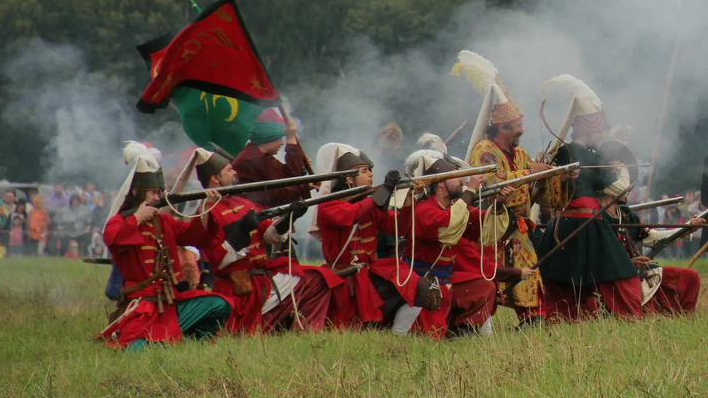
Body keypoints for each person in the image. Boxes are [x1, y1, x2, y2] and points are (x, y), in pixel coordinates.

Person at [99, 141, 232, 350]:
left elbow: (194, 236)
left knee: (219, 305)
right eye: (152, 192)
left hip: (170, 302)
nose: (157, 197)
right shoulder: (121, 222)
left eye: (159, 192)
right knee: (136, 349)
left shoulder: (163, 222)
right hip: (141, 306)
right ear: (137, 194)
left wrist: (205, 206)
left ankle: (188, 344)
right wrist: (136, 218)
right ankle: (165, 341)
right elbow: (112, 238)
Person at [192, 148, 339, 334]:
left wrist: (289, 218)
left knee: (319, 279)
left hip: (263, 279)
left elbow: (270, 235)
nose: (235, 172)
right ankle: (268, 328)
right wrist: (240, 234)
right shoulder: (206, 213)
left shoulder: (243, 203)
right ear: (215, 178)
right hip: (239, 288)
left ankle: (305, 332)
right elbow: (218, 260)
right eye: (229, 170)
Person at [533, 85, 644, 322]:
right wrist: (625, 170)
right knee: (622, 274)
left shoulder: (559, 153)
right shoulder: (592, 158)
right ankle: (629, 318)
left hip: (561, 225)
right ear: (590, 130)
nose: (601, 136)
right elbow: (618, 191)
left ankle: (566, 321)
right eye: (600, 132)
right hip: (589, 223)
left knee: (566, 280)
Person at [312, 144, 430, 332]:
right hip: (343, 280)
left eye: (370, 171)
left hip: (368, 273)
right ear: (349, 178)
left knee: (417, 286)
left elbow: (397, 228)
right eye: (364, 171)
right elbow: (355, 213)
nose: (371, 175)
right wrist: (385, 191)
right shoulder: (328, 206)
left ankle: (397, 336)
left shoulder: (370, 204)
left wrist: (408, 199)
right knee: (345, 329)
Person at [397, 150, 510, 339]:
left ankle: (464, 331)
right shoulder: (425, 209)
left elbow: (483, 227)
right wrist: (470, 191)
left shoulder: (454, 208)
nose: (461, 181)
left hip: (444, 283)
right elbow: (447, 226)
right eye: (456, 176)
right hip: (424, 285)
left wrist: (498, 203)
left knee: (484, 287)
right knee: (429, 336)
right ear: (440, 182)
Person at [468, 89, 548, 325]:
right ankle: (477, 323)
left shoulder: (521, 154)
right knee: (489, 278)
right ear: (502, 128)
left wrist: (556, 177)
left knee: (529, 277)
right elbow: (492, 182)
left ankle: (533, 321)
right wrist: (529, 173)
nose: (521, 130)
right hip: (493, 227)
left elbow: (539, 193)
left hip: (519, 229)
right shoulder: (484, 150)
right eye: (517, 126)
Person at [604, 196, 703, 316]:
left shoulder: (625, 214)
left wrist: (686, 229)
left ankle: (685, 317)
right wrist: (628, 263)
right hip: (612, 278)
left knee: (690, 277)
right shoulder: (597, 217)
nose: (628, 192)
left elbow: (653, 237)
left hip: (637, 272)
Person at [231, 108, 314, 208]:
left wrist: (300, 168)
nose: (282, 143)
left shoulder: (255, 155)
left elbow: (286, 176)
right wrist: (291, 137)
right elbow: (290, 178)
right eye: (279, 138)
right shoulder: (254, 158)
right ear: (268, 138)